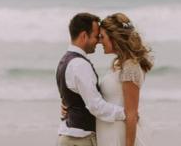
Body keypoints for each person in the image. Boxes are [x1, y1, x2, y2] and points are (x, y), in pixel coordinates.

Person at [56, 13, 129, 146]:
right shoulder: (80, 65)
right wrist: (126, 113)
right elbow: (95, 106)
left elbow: (72, 99)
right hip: (80, 140)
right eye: (96, 36)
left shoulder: (65, 61)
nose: (99, 41)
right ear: (84, 36)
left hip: (70, 137)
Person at [95, 13, 153, 146]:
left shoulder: (130, 67)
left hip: (118, 135)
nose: (99, 41)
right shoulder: (120, 65)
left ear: (114, 38)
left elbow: (131, 114)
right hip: (109, 133)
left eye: (102, 37)